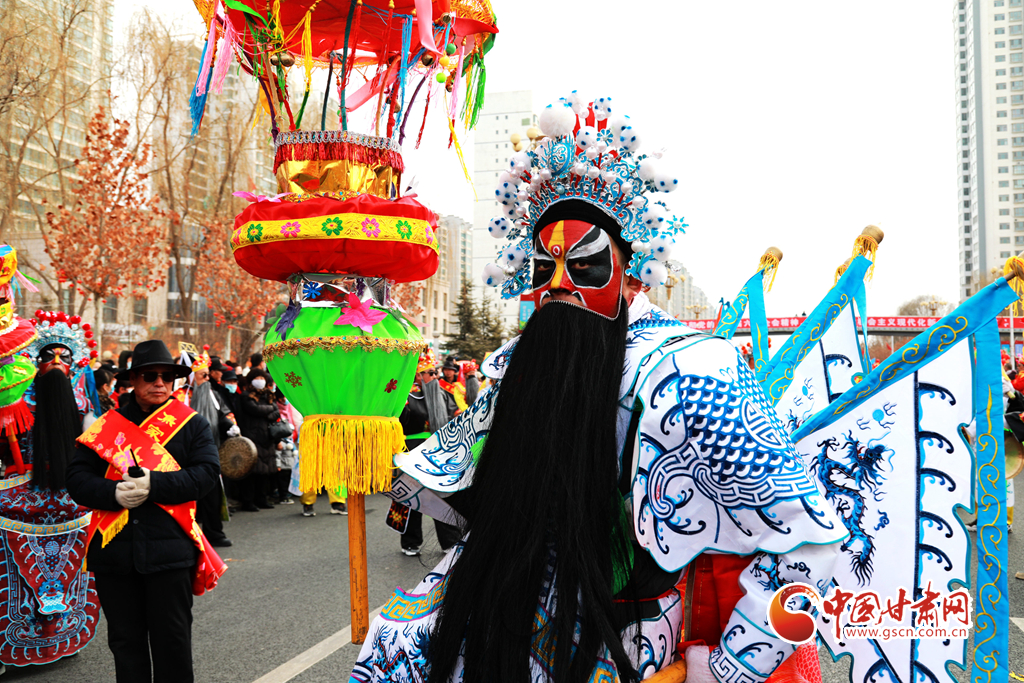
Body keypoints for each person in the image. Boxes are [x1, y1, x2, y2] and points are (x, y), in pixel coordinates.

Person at [351, 95, 844, 683]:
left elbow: (813, 543)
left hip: (627, 645)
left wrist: (728, 668)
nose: (557, 286)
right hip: (494, 625)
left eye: (584, 267)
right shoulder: (515, 366)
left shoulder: (692, 374)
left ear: (631, 275)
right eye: (542, 269)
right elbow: (465, 493)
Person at [66, 339, 226, 683]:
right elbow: (77, 479)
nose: (160, 384)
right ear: (132, 381)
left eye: (167, 378)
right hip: (115, 555)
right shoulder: (105, 426)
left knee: (173, 644)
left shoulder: (191, 424)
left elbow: (206, 474)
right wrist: (114, 493)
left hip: (170, 552)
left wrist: (155, 485)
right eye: (151, 376)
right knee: (125, 645)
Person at [0, 301, 101, 670]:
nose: (55, 362)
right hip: (48, 504)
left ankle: (62, 635)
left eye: (63, 355)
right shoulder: (15, 407)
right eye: (46, 354)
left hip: (53, 505)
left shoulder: (85, 411)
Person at [393, 349, 461, 556]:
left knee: (443, 496)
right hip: (412, 451)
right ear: (418, 374)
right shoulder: (406, 396)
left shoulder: (445, 395)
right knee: (412, 498)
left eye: (435, 372)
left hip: (439, 451)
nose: (434, 376)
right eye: (429, 372)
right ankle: (410, 542)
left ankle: (450, 540)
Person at [190, 348, 237, 548]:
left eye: (208, 375)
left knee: (212, 495)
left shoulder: (212, 394)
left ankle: (214, 532)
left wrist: (230, 426)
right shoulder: (183, 396)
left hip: (211, 451)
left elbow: (220, 415)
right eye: (203, 376)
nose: (207, 379)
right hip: (186, 456)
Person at [235, 368, 279, 511]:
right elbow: (254, 409)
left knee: (265, 471)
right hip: (251, 437)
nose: (260, 380)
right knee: (252, 472)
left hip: (267, 437)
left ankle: (262, 498)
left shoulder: (268, 395)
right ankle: (248, 501)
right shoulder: (246, 396)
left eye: (262, 377)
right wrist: (269, 409)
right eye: (257, 377)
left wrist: (269, 410)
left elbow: (276, 412)